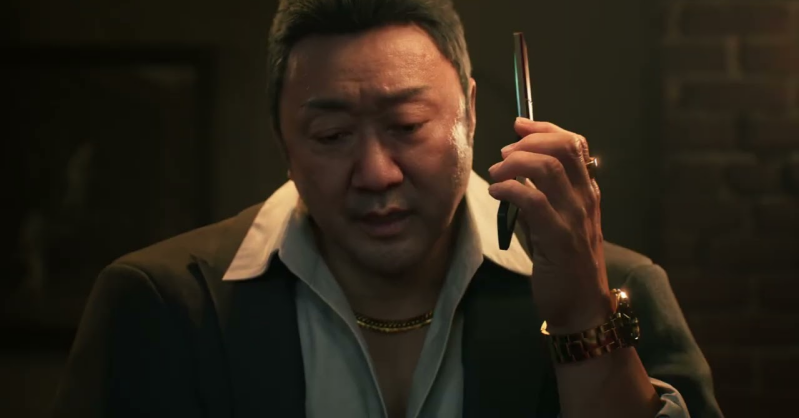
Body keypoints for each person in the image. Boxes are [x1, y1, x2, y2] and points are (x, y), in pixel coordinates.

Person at [53, 0, 723, 417]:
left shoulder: (619, 290)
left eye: (406, 126)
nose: (376, 173)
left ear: (469, 113)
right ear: (281, 139)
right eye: (331, 135)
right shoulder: (163, 304)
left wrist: (584, 320)